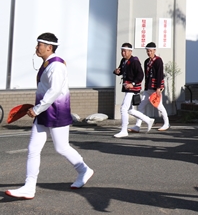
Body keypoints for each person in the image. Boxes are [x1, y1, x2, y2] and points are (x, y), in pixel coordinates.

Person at [5, 33, 93, 200]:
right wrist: (38, 109)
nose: (36, 47)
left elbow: (55, 91)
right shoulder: (48, 63)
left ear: (49, 47)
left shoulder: (57, 66)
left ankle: (84, 170)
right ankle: (29, 187)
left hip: (56, 111)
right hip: (44, 111)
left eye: (39, 44)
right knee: (33, 149)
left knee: (62, 147)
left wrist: (37, 109)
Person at [129, 42, 170, 132]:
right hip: (148, 87)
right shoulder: (146, 61)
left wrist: (158, 88)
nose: (149, 53)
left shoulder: (158, 60)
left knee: (159, 106)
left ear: (154, 50)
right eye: (147, 51)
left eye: (151, 51)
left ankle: (166, 123)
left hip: (155, 88)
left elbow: (159, 74)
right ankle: (137, 126)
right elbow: (146, 75)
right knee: (141, 106)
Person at [113, 43, 144, 138]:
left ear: (130, 51)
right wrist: (117, 72)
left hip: (132, 88)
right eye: (122, 51)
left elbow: (140, 75)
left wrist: (133, 84)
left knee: (123, 108)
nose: (123, 53)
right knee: (130, 110)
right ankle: (148, 120)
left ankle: (124, 130)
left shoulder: (135, 61)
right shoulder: (123, 60)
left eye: (125, 51)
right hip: (127, 87)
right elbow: (121, 71)